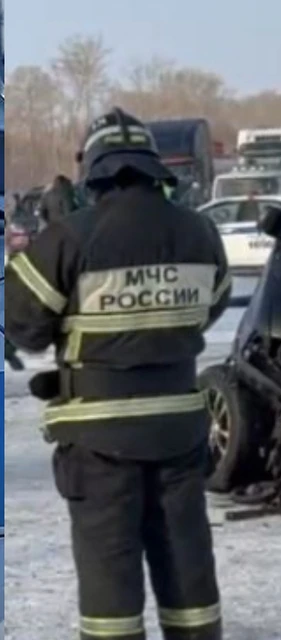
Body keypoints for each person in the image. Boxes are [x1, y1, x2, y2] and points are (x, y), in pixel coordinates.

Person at [5, 107, 231, 640]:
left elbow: (22, 326)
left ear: (96, 170)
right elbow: (212, 307)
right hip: (178, 429)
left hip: (99, 439)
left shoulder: (70, 237)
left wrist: (39, 246)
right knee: (187, 566)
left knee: (111, 578)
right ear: (154, 168)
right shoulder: (200, 232)